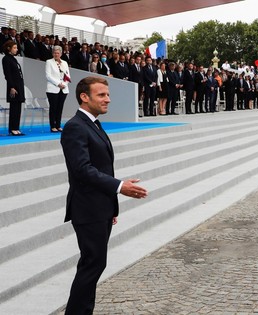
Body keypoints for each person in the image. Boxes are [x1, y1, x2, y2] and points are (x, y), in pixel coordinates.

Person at [61, 76, 148, 314]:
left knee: (95, 264)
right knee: (92, 265)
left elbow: (100, 168)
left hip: (99, 208)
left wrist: (110, 205)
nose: (108, 99)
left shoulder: (93, 123)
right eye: (101, 95)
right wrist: (120, 187)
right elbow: (82, 170)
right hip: (87, 209)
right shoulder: (75, 127)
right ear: (84, 97)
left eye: (108, 95)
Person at [46, 45, 71, 132]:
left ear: (61, 53)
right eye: (54, 53)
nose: (56, 54)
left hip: (64, 89)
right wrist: (58, 84)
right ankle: (53, 126)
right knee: (53, 108)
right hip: (53, 88)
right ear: (52, 53)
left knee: (60, 108)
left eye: (58, 53)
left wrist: (64, 84)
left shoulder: (65, 63)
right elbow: (48, 76)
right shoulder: (49, 62)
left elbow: (67, 76)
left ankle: (58, 125)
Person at [2, 40, 25, 136]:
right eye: (14, 48)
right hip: (13, 86)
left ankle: (16, 127)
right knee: (14, 108)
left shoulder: (14, 59)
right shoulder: (6, 59)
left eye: (16, 47)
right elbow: (7, 75)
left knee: (18, 108)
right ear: (8, 48)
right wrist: (11, 87)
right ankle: (12, 128)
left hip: (19, 86)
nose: (16, 49)